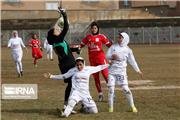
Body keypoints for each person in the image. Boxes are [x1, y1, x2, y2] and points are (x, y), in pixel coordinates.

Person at [44, 57, 109, 117]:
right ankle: (64, 114)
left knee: (95, 111)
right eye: (77, 65)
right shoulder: (73, 70)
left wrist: (109, 64)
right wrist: (51, 76)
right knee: (71, 103)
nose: (79, 66)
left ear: (84, 64)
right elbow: (64, 76)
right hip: (76, 92)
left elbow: (99, 67)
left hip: (86, 94)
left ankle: (84, 109)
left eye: (80, 64)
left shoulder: (89, 69)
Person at [47, 7, 80, 110]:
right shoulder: (58, 39)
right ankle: (69, 105)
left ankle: (68, 104)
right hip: (68, 66)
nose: (58, 30)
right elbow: (66, 27)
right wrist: (64, 14)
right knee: (74, 84)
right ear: (54, 35)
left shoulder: (58, 41)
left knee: (72, 85)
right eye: (56, 30)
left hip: (66, 64)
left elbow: (66, 50)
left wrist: (75, 50)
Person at [106, 32, 143, 113]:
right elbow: (107, 55)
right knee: (111, 90)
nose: (118, 39)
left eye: (120, 37)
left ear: (125, 39)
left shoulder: (128, 50)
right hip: (112, 72)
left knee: (126, 89)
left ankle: (132, 106)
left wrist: (138, 70)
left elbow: (132, 61)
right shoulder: (113, 47)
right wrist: (112, 57)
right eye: (118, 37)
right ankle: (111, 108)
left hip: (121, 73)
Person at [80, 21, 112, 101]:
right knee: (96, 77)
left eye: (95, 28)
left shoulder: (102, 36)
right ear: (91, 29)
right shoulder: (88, 37)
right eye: (92, 28)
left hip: (101, 59)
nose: (94, 29)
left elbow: (109, 46)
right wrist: (76, 49)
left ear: (98, 29)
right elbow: (81, 45)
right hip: (92, 60)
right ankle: (100, 94)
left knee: (106, 75)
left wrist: (115, 50)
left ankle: (112, 93)